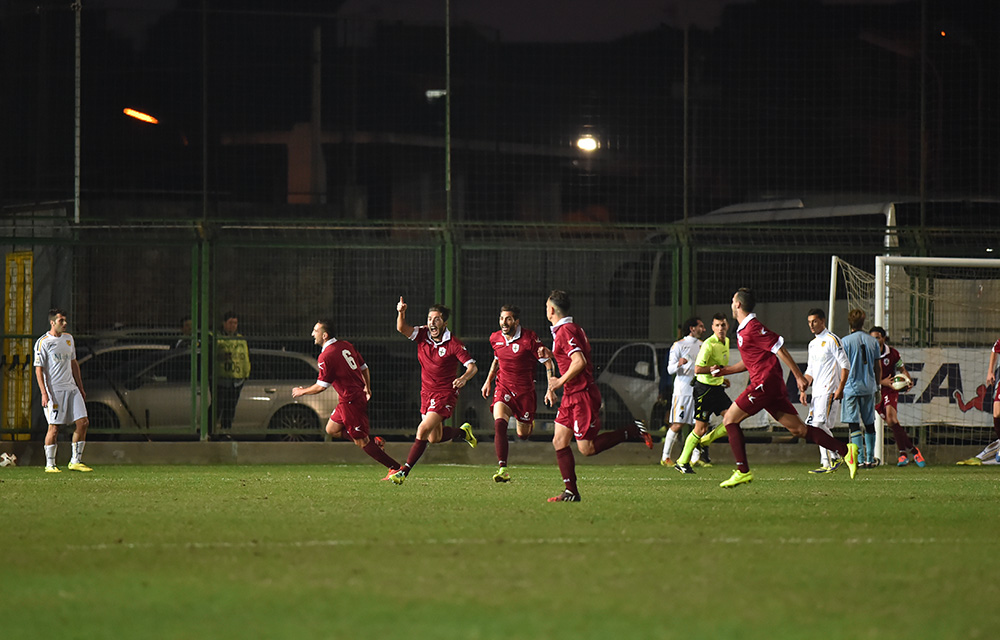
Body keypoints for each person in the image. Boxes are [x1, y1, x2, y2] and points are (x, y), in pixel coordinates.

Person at [711, 288, 858, 488]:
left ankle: (742, 471)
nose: (731, 303)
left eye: (732, 300)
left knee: (730, 419)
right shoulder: (743, 330)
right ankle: (845, 450)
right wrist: (725, 371)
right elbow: (750, 362)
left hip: (764, 383)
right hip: (769, 385)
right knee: (799, 429)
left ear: (737, 304)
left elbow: (778, 346)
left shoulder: (753, 327)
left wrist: (798, 376)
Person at [538, 290, 652, 502]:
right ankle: (571, 491)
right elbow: (569, 356)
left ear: (552, 309)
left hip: (582, 395)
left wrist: (559, 382)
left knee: (586, 449)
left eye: (546, 307)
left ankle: (632, 430)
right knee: (559, 440)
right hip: (571, 395)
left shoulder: (566, 331)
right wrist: (552, 355)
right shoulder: (568, 329)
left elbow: (579, 361)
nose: (546, 310)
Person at [292, 320, 402, 477]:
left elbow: (321, 386)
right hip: (350, 398)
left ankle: (395, 467)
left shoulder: (326, 355)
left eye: (315, 331)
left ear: (324, 335)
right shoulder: (346, 345)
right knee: (331, 429)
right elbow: (364, 368)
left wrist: (303, 391)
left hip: (351, 400)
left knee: (361, 441)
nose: (312, 334)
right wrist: (367, 387)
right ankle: (375, 443)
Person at [390, 298, 479, 485]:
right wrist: (401, 312)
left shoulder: (453, 344)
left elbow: (472, 367)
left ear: (444, 323)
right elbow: (402, 328)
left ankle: (403, 471)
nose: (432, 322)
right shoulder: (422, 334)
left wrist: (463, 378)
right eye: (430, 318)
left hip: (445, 393)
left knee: (422, 430)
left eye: (437, 319)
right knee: (434, 437)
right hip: (426, 392)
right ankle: (463, 433)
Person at [480, 304, 556, 483]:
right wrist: (488, 381)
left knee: (523, 434)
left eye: (508, 319)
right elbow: (496, 360)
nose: (504, 323)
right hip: (503, 387)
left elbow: (548, 363)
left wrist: (550, 389)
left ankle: (528, 424)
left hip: (524, 393)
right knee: (499, 423)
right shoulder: (495, 338)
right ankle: (503, 468)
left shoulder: (529, 338)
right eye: (501, 318)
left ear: (516, 321)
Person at [33, 308, 92, 473]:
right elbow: (38, 370)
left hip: (71, 389)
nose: (65, 324)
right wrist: (44, 393)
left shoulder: (68, 339)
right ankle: (50, 465)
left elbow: (73, 363)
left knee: (83, 422)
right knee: (54, 427)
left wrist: (80, 387)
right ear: (52, 323)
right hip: (54, 391)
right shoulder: (43, 342)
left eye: (65, 321)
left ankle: (75, 461)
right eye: (61, 321)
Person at [674, 313, 732, 474]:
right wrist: (711, 370)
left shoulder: (726, 342)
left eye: (723, 325)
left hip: (717, 389)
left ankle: (705, 441)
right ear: (712, 328)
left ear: (727, 327)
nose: (720, 328)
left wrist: (722, 378)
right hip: (704, 390)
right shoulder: (708, 344)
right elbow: (698, 369)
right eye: (717, 325)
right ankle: (682, 461)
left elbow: (719, 366)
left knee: (733, 418)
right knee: (700, 428)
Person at [800, 308, 849, 474]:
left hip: (830, 389)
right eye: (809, 322)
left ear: (822, 321)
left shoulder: (832, 340)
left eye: (814, 321)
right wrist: (803, 388)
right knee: (817, 427)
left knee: (818, 424)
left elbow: (845, 365)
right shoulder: (812, 344)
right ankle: (827, 463)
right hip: (816, 391)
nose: (811, 325)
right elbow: (810, 370)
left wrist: (840, 387)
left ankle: (837, 453)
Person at [869, 326, 926, 467]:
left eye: (877, 337)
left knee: (891, 418)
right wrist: (882, 382)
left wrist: (908, 380)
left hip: (890, 390)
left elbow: (902, 369)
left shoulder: (893, 353)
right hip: (875, 391)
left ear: (883, 338)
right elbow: (867, 375)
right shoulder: (868, 354)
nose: (874, 341)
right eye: (872, 338)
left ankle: (902, 454)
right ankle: (913, 451)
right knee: (892, 423)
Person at [660, 317, 705, 466]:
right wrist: (679, 364)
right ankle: (665, 457)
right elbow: (670, 369)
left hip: (698, 390)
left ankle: (695, 458)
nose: (703, 329)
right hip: (682, 392)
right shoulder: (678, 346)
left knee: (698, 424)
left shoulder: (703, 345)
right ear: (692, 328)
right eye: (700, 326)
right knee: (678, 424)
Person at [840, 309, 881, 468]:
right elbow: (877, 367)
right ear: (863, 322)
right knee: (869, 422)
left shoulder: (845, 342)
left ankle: (859, 459)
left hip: (850, 387)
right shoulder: (872, 341)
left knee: (854, 423)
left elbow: (842, 367)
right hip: (869, 387)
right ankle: (870, 459)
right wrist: (877, 386)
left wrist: (839, 386)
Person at [214, 311, 250, 434]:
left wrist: (246, 374)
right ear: (224, 323)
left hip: (237, 380)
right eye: (230, 323)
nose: (233, 326)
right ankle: (210, 431)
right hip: (222, 378)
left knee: (230, 408)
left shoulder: (240, 339)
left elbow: (245, 357)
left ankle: (226, 431)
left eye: (235, 323)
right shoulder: (217, 338)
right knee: (217, 406)